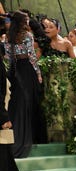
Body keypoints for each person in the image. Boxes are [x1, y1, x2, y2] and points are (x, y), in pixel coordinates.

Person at [5, 10, 47, 158]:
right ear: (22, 21)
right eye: (26, 19)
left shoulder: (8, 37)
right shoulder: (28, 36)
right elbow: (32, 56)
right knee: (29, 101)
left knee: (17, 102)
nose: (28, 21)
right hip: (27, 70)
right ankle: (31, 136)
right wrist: (38, 73)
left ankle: (16, 135)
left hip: (15, 70)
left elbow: (9, 57)